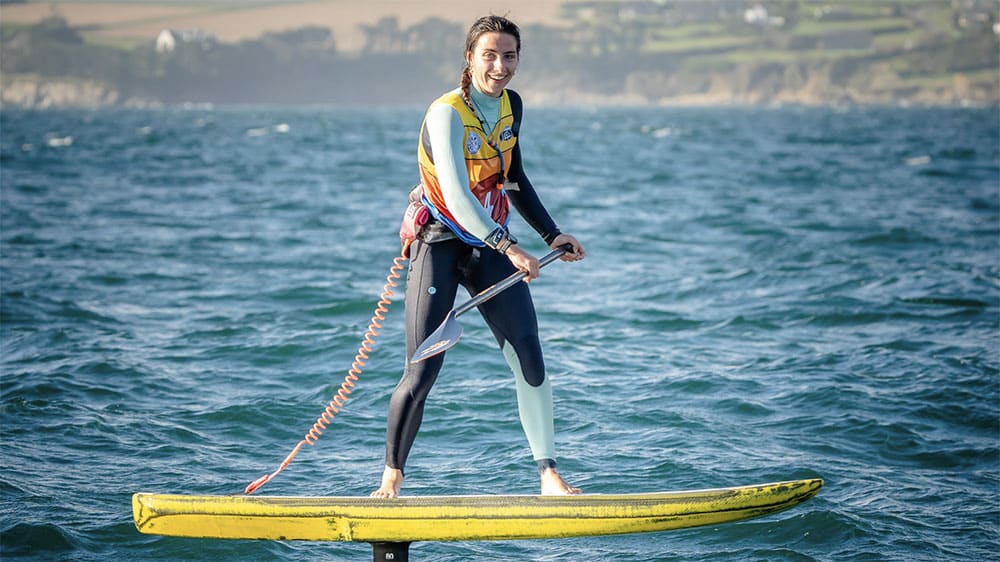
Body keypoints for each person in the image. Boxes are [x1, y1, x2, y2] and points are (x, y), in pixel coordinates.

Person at [371, 15, 585, 499]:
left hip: (489, 244)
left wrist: (551, 234)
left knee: (529, 353)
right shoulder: (446, 113)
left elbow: (514, 178)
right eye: (489, 54)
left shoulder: (511, 106)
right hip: (441, 244)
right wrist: (510, 247)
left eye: (509, 56)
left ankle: (548, 474)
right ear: (469, 58)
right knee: (423, 368)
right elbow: (456, 194)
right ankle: (390, 479)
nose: (500, 66)